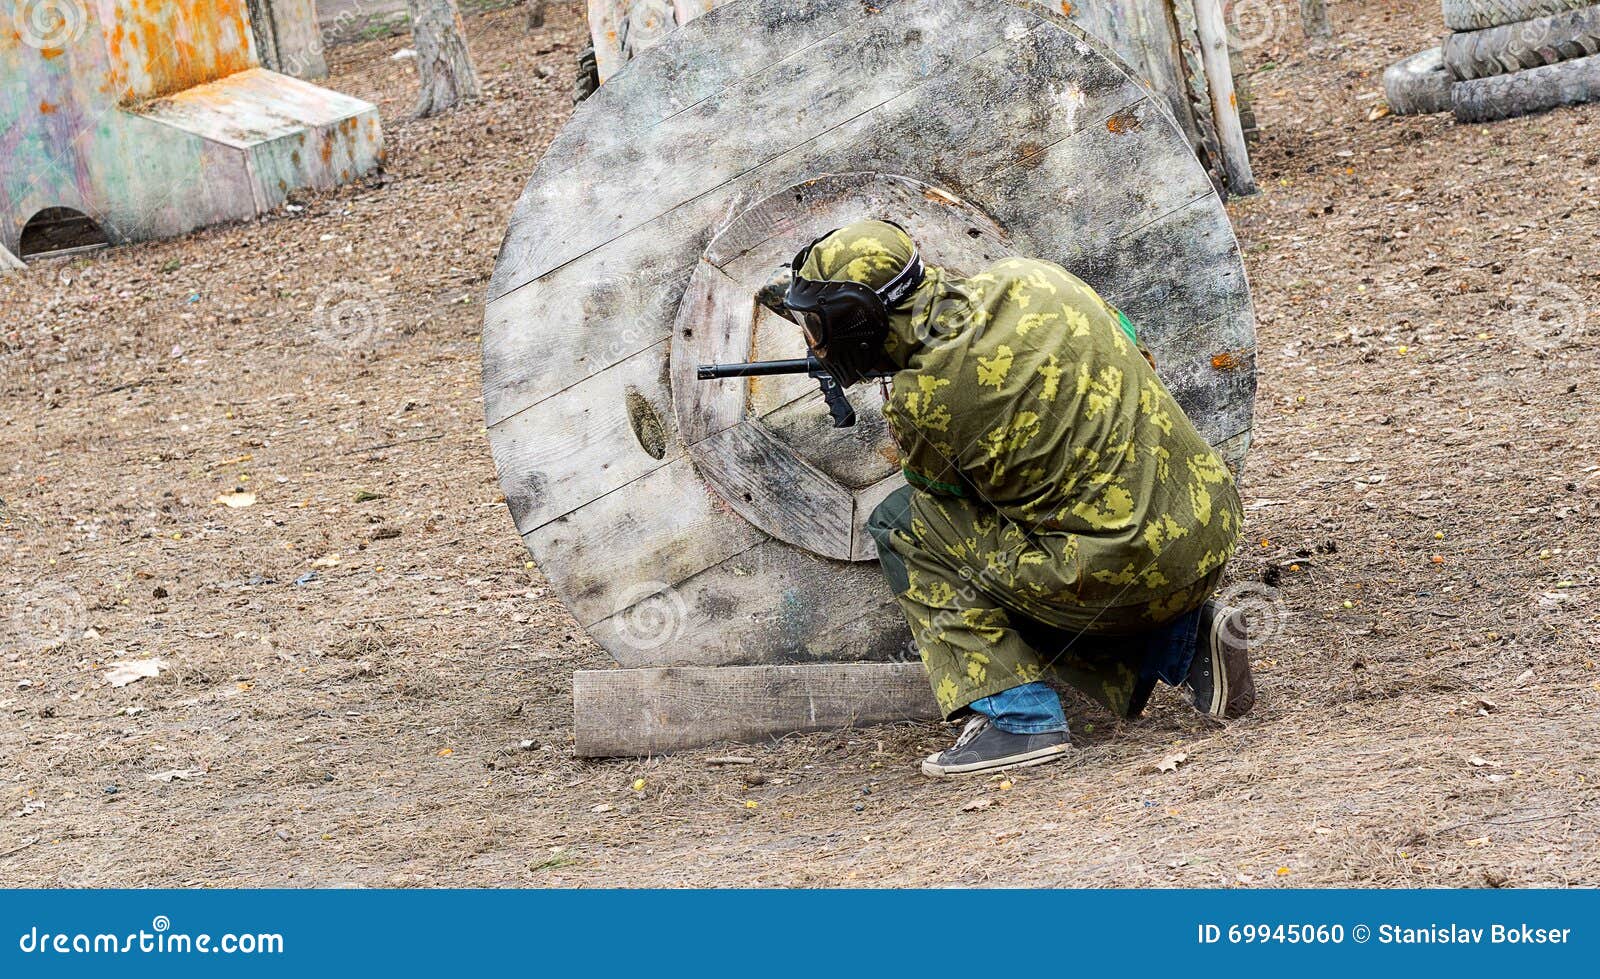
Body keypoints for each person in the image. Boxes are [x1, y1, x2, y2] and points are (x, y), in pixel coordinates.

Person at [778, 220, 1254, 777]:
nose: (814, 341)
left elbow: (947, 501)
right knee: (1070, 534)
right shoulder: (1035, 278)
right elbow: (1135, 349)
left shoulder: (922, 398)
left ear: (855, 322)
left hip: (1125, 571)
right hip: (1210, 522)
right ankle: (1186, 641)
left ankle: (1018, 719)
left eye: (817, 326)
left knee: (903, 524)